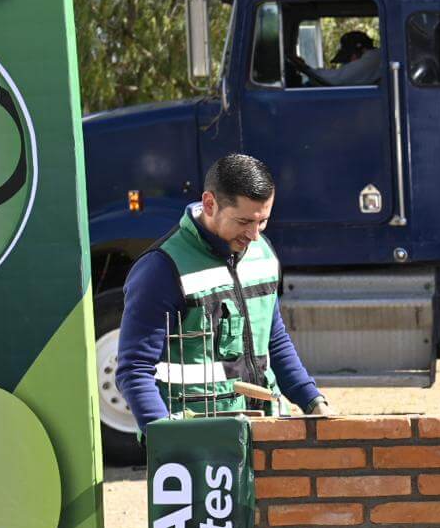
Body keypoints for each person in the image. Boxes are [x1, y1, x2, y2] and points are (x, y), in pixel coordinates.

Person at [116, 153, 332, 433]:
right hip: (198, 436)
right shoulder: (161, 269)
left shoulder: (263, 253)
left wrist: (312, 400)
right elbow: (134, 370)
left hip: (267, 428)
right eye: (244, 222)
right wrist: (165, 439)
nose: (254, 235)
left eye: (263, 221)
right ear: (209, 204)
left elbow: (274, 340)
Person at [302, 30, 381, 86]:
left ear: (363, 50)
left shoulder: (373, 58)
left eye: (348, 59)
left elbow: (338, 77)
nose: (347, 64)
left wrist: (306, 69)